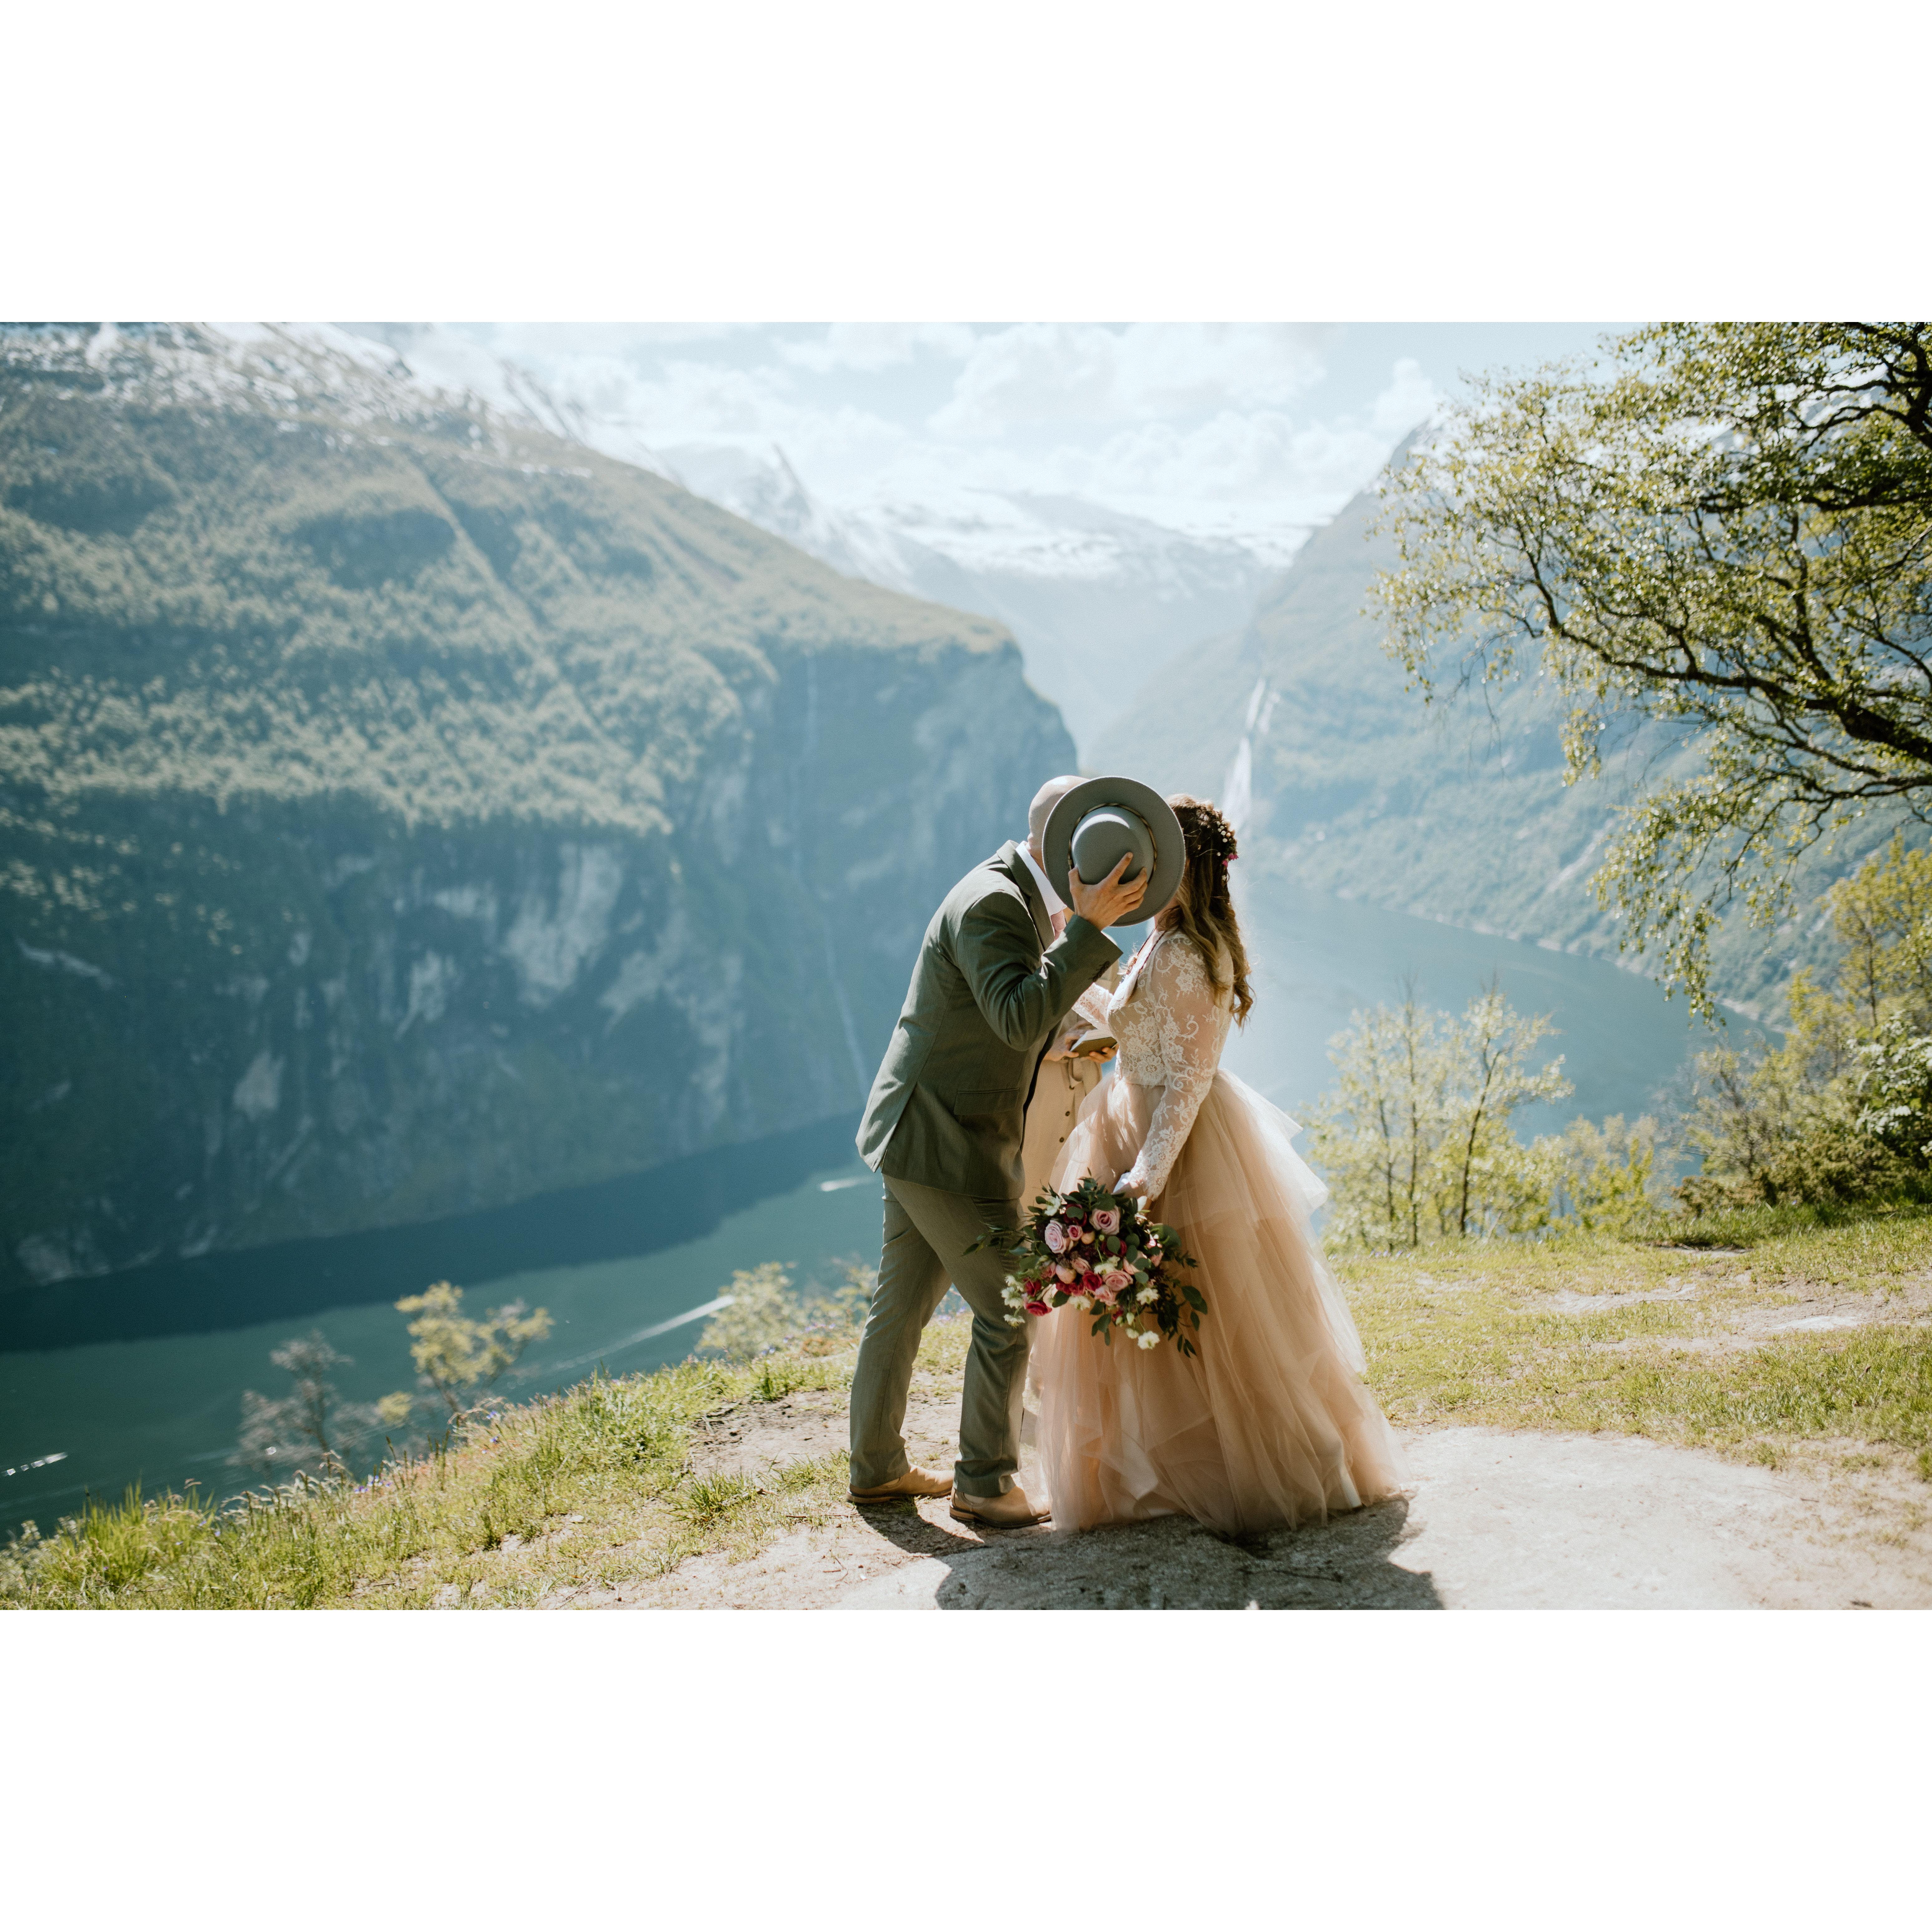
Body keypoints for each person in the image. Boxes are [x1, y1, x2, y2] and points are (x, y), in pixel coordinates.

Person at [1031, 794, 1405, 1536]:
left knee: (1214, 1321)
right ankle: (1175, 1468)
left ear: (1186, 870)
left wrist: (1147, 1176)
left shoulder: (1189, 954)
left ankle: (1251, 1467)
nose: (1137, 876)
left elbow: (1190, 1080)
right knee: (1163, 1321)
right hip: (1135, 1125)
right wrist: (1071, 958)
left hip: (1181, 1147)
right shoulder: (1162, 941)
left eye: (1153, 861)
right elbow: (1136, 1024)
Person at [848, 775, 1147, 1528]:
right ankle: (984, 1482)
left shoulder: (1015, 897)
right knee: (1014, 1304)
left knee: (901, 1308)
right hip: (943, 1141)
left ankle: (877, 1467)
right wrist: (1087, 930)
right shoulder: (995, 904)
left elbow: (1006, 1016)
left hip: (924, 1130)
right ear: (1067, 850)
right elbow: (1016, 1017)